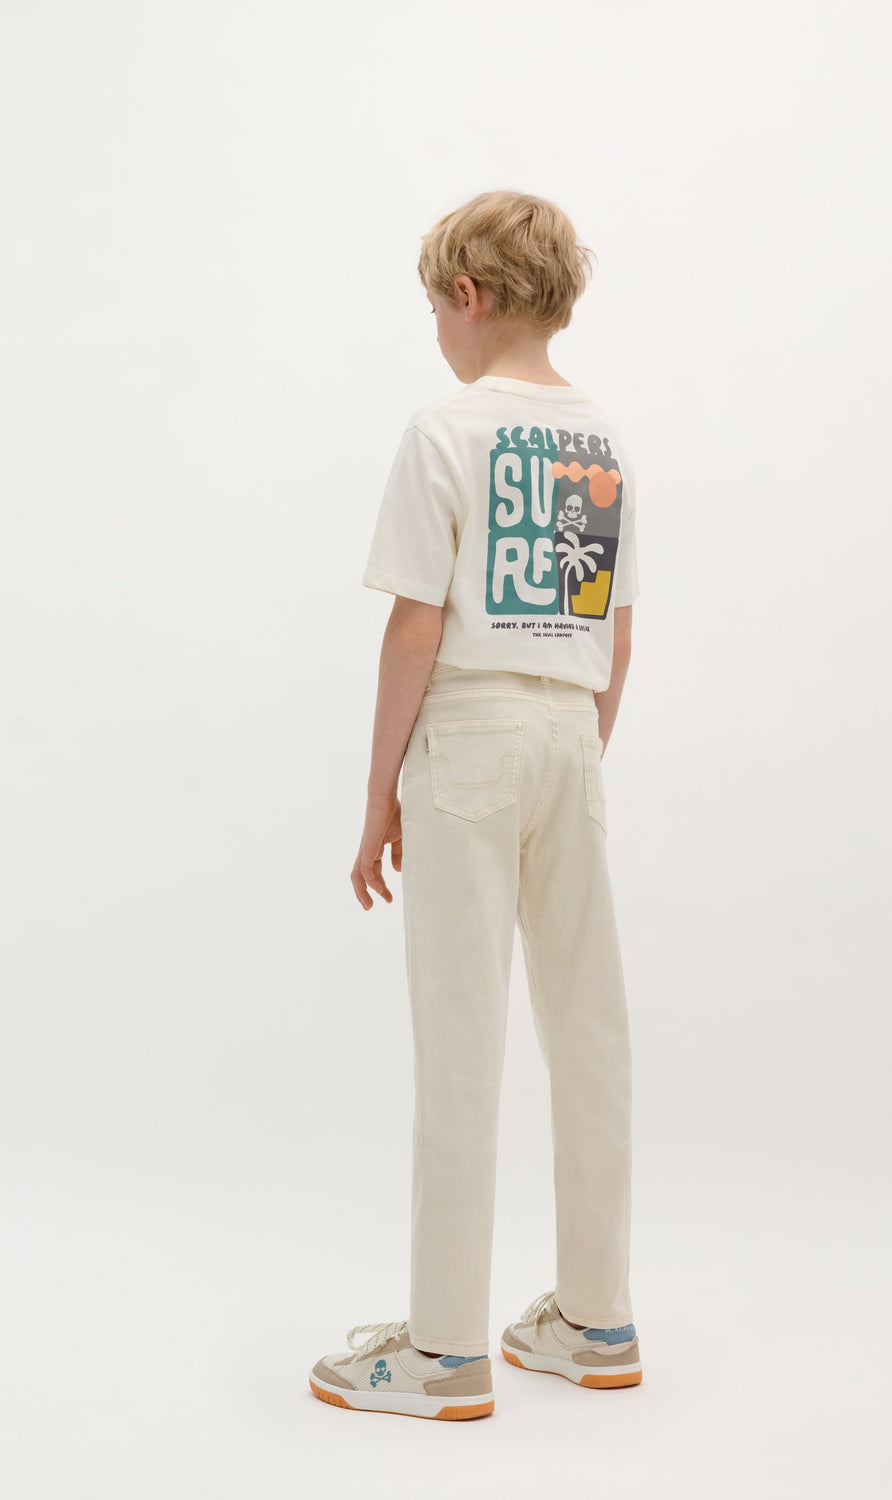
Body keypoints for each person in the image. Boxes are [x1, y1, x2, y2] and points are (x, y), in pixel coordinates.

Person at [309, 191, 642, 1421]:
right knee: (588, 1033)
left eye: (435, 310)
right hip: (569, 735)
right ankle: (596, 1322)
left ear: (468, 295)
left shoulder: (446, 428)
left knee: (462, 1041)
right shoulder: (600, 441)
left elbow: (415, 624)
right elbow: (615, 629)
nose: (436, 334)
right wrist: (576, 753)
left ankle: (446, 1350)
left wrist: (380, 794)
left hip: (466, 741)